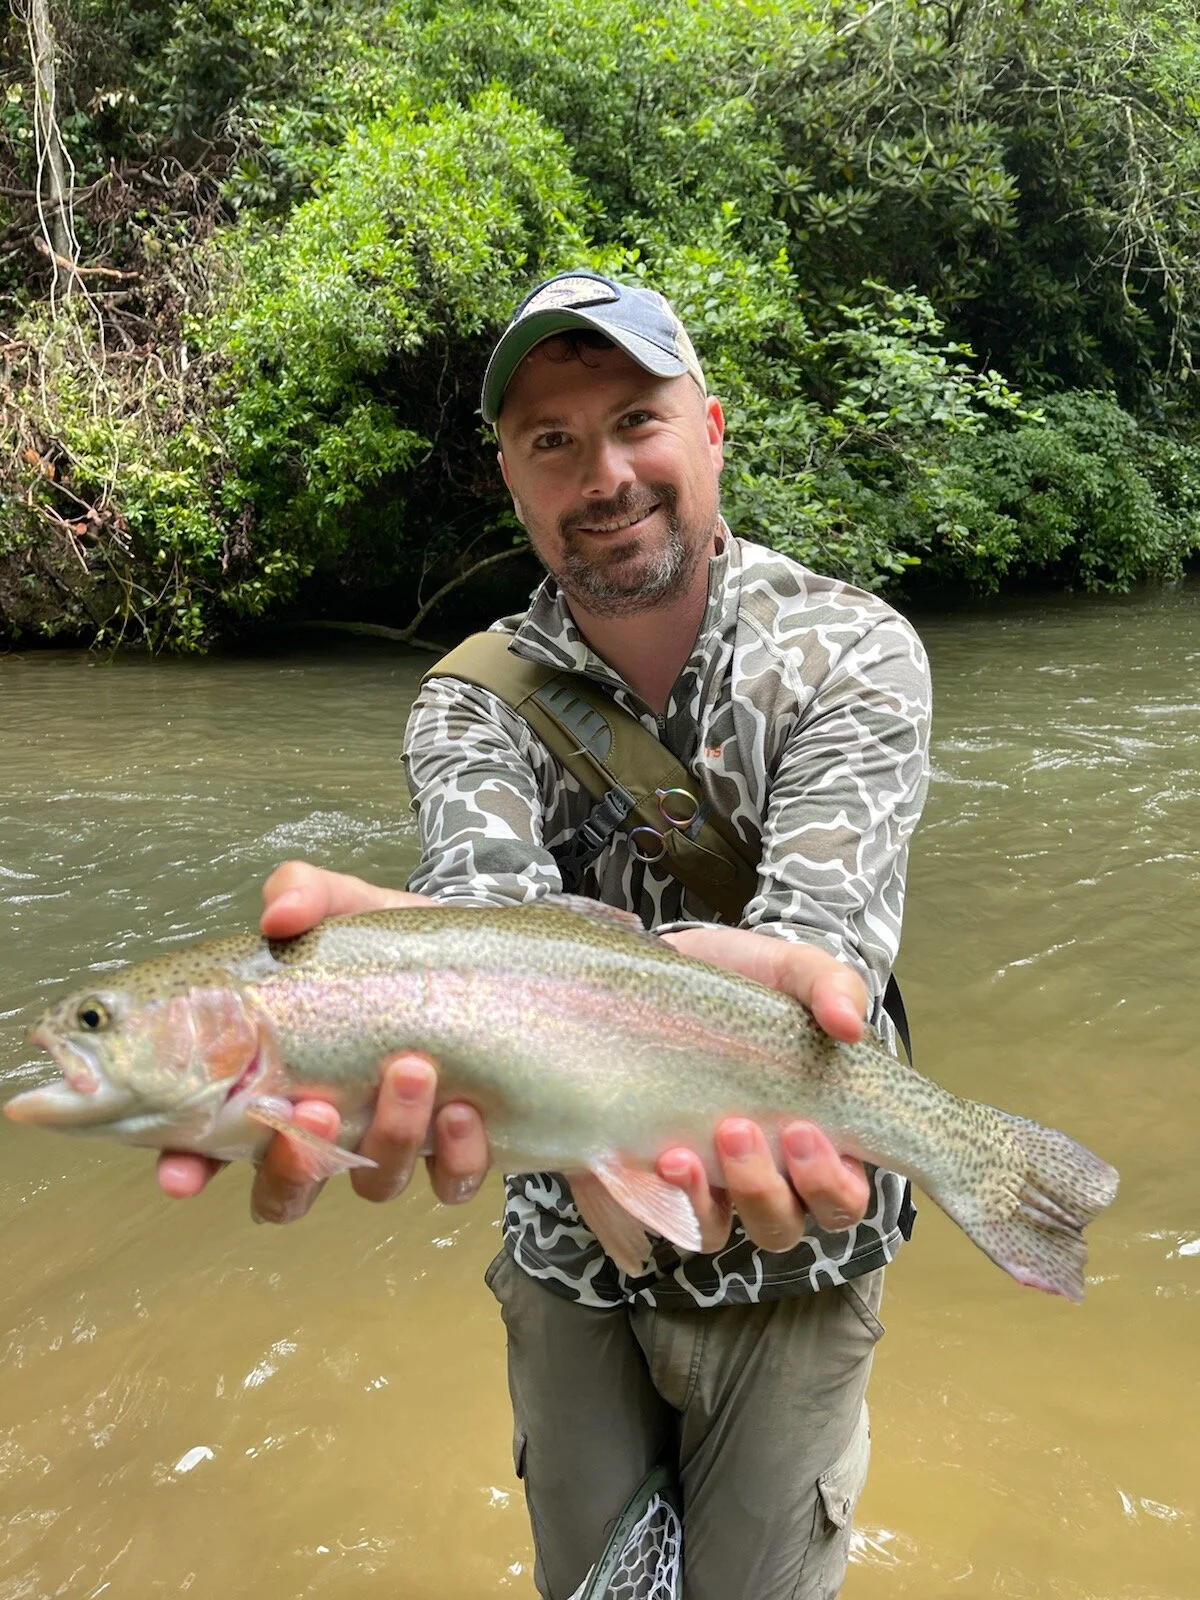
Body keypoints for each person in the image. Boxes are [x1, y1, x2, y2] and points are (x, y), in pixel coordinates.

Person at [158, 269, 932, 1598]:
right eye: (553, 443)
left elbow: (824, 967)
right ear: (513, 479)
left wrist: (730, 1011)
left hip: (800, 1238)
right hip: (571, 1256)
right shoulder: (470, 704)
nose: (605, 473)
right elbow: (483, 926)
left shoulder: (851, 653)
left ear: (712, 429)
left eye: (637, 420)